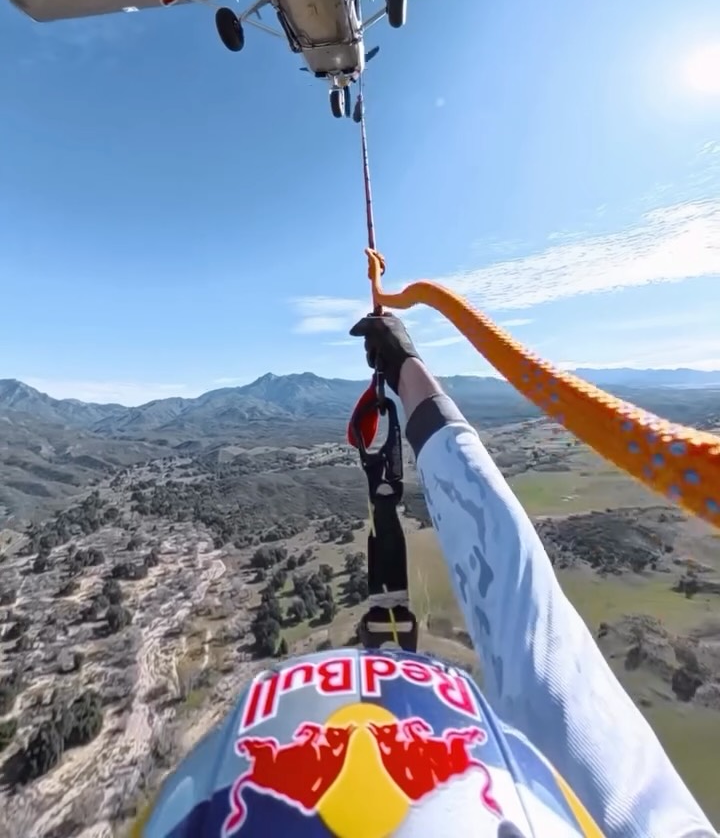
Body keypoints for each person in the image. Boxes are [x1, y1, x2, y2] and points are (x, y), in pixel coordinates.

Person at [133, 315, 717, 838]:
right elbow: (519, 602)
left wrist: (406, 372)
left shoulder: (622, 808)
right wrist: (407, 371)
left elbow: (515, 596)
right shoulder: (630, 812)